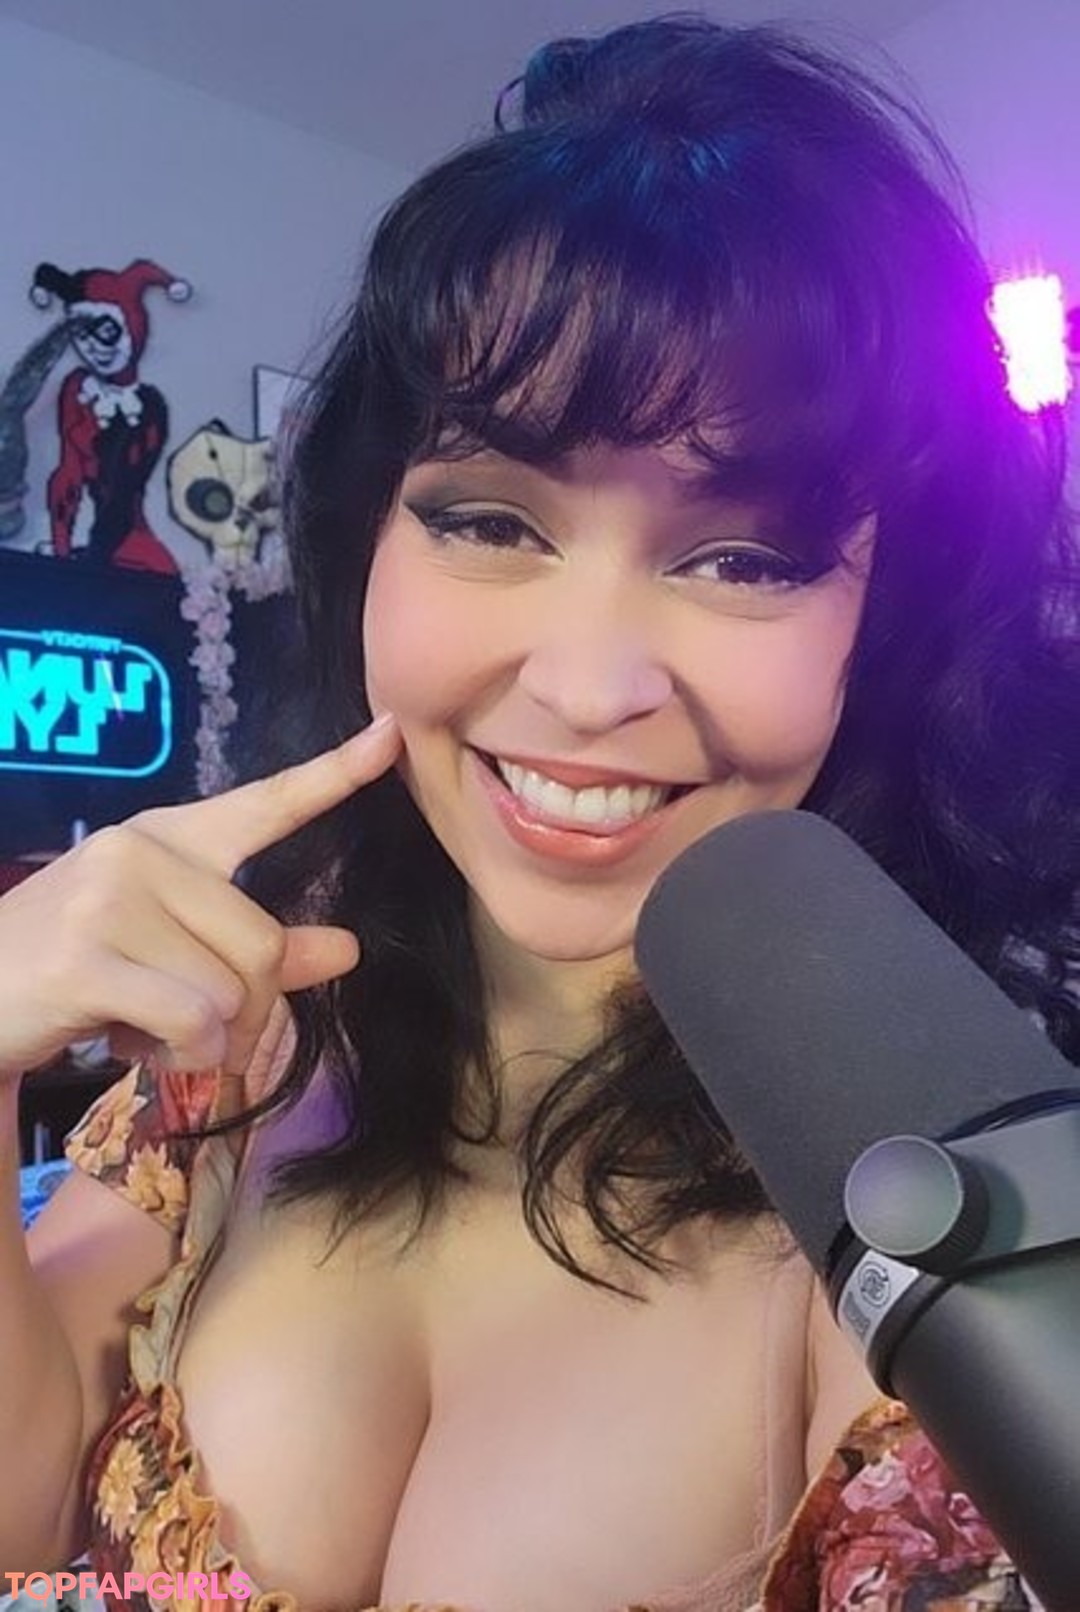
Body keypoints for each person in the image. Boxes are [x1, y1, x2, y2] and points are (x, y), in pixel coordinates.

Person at [2, 14, 1078, 1610]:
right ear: (366, 545)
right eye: (491, 521)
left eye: (744, 557)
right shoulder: (240, 1056)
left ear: (888, 626)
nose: (585, 687)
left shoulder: (923, 1205)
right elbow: (26, 1506)